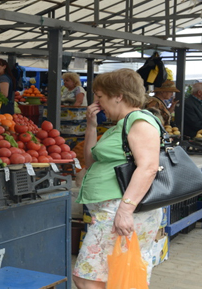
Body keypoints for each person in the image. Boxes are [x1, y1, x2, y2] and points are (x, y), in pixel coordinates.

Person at [73, 68, 163, 289]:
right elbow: (91, 161)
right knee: (115, 276)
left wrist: (125, 210)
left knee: (88, 278)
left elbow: (149, 167)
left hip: (120, 211)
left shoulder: (139, 121)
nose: (97, 102)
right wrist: (91, 126)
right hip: (112, 211)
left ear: (118, 95)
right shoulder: (120, 125)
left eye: (100, 96)